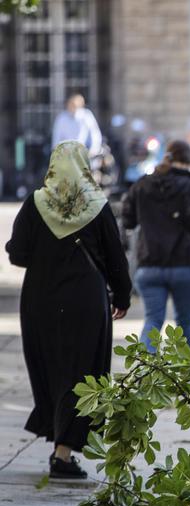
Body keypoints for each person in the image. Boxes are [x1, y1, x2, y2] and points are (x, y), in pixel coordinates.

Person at [5, 141, 132, 479]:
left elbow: (17, 254)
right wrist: (122, 296)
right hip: (85, 300)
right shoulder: (96, 205)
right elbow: (117, 259)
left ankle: (59, 444)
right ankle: (62, 453)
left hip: (40, 300)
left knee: (50, 367)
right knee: (82, 371)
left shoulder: (36, 203)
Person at [120, 140, 190, 354]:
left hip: (149, 265)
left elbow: (127, 221)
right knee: (184, 323)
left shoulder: (142, 184)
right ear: (187, 163)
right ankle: (184, 378)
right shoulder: (188, 185)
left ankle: (147, 376)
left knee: (152, 321)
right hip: (184, 265)